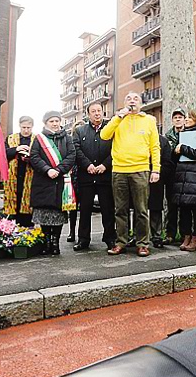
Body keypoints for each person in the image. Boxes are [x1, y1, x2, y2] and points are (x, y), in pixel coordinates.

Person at [101, 91, 161, 257]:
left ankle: (142, 243)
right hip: (119, 170)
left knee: (141, 210)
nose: (132, 101)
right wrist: (118, 117)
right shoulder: (118, 119)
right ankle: (121, 242)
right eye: (128, 98)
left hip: (141, 170)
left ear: (141, 103)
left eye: (135, 98)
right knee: (120, 210)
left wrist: (156, 169)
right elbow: (104, 135)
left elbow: (155, 147)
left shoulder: (148, 120)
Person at [29, 111, 76, 255]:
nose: (55, 124)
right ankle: (46, 242)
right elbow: (34, 156)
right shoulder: (39, 139)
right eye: (52, 121)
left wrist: (59, 170)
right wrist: (47, 169)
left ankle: (55, 243)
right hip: (43, 180)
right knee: (44, 213)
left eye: (57, 121)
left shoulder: (67, 138)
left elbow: (71, 155)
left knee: (58, 214)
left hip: (60, 181)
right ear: (45, 123)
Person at [73, 102, 115, 251]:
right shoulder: (79, 131)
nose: (97, 113)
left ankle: (110, 238)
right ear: (88, 114)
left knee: (108, 210)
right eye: (93, 111)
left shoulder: (111, 129)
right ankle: (83, 239)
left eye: (99, 111)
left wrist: (105, 165)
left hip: (105, 176)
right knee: (84, 210)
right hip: (87, 177)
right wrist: (87, 165)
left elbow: (116, 149)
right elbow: (76, 150)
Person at [172, 109, 196, 252]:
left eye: (189, 118)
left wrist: (184, 148)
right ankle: (186, 236)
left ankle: (195, 237)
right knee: (184, 209)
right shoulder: (181, 135)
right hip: (182, 178)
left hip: (195, 178)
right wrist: (175, 151)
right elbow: (175, 157)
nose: (186, 120)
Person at [3, 116, 35, 227]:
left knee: (28, 206)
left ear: (32, 127)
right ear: (19, 126)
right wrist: (17, 149)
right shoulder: (10, 138)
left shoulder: (37, 139)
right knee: (14, 206)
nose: (26, 130)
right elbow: (3, 154)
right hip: (13, 178)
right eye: (24, 127)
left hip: (30, 177)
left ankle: (28, 231)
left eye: (28, 128)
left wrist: (30, 157)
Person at [163, 108, 185, 244]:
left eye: (180, 117)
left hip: (185, 173)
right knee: (171, 206)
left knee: (184, 206)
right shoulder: (167, 136)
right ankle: (170, 234)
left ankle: (184, 234)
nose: (177, 119)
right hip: (171, 174)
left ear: (184, 119)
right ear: (172, 120)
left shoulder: (189, 133)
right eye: (175, 117)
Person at [149, 133, 173, 249]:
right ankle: (138, 236)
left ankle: (156, 236)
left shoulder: (163, 141)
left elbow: (168, 162)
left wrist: (158, 173)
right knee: (138, 209)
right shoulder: (139, 137)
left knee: (156, 209)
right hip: (139, 177)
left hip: (157, 180)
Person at [67, 120, 85, 243]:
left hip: (85, 175)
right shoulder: (71, 143)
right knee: (72, 208)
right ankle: (72, 232)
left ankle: (82, 234)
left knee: (84, 208)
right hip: (73, 176)